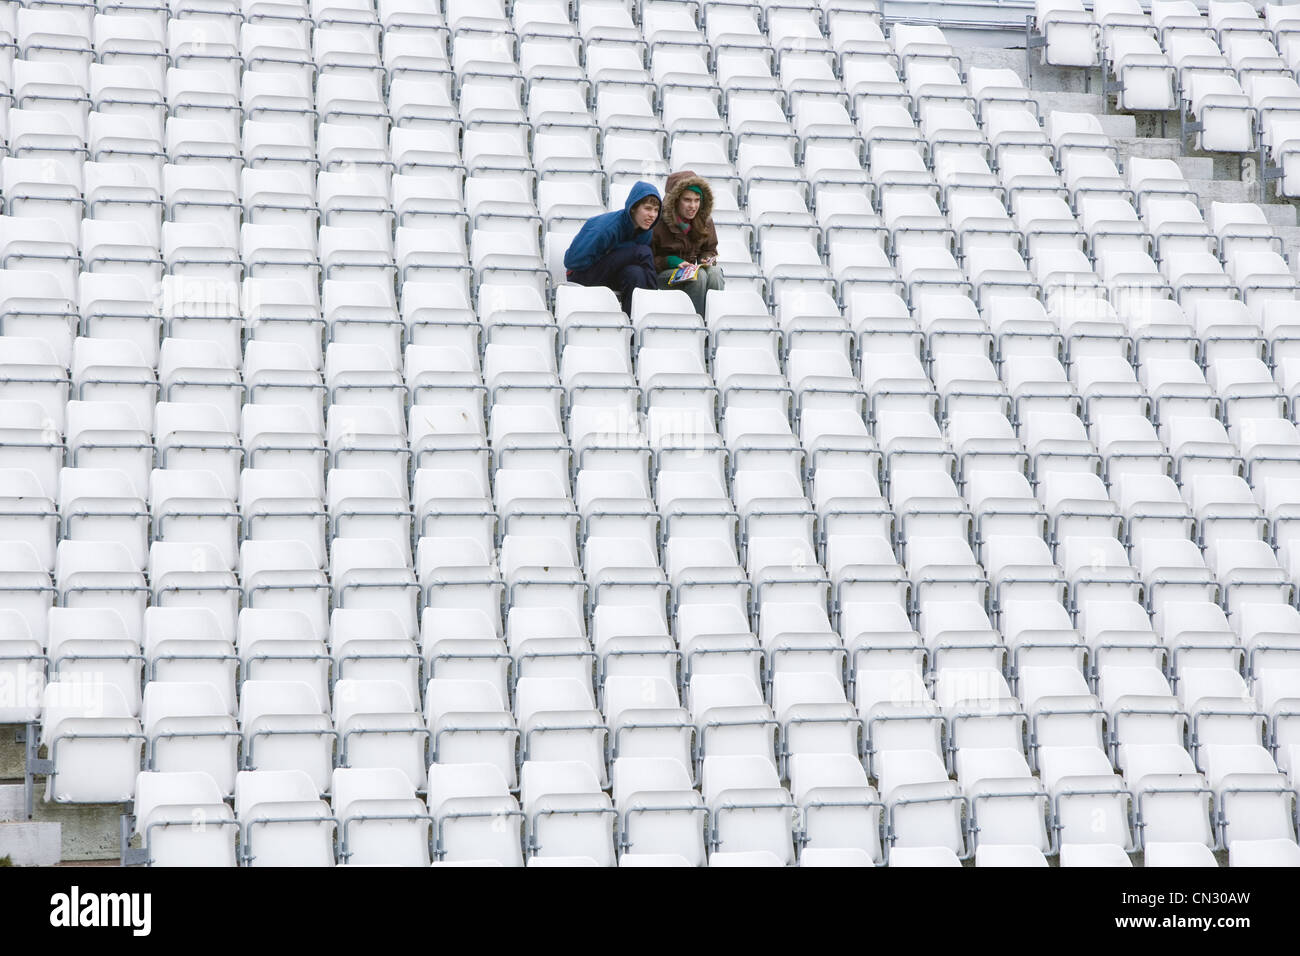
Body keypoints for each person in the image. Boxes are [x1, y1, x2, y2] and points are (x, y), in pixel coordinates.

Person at [563, 181, 662, 314]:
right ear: (633, 208)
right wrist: (620, 254)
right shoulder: (606, 228)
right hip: (582, 274)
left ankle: (633, 326)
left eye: (656, 210)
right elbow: (572, 261)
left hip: (610, 275)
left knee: (635, 274)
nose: (652, 215)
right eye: (648, 208)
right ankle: (653, 301)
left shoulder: (645, 231)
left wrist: (622, 255)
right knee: (642, 252)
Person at [652, 170, 724, 315]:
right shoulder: (658, 222)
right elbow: (646, 259)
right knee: (698, 277)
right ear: (675, 200)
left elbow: (710, 249)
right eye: (687, 200)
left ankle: (713, 322)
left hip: (690, 271)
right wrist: (670, 261)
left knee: (715, 273)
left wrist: (706, 258)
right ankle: (695, 325)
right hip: (663, 274)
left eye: (697, 200)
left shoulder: (705, 221)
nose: (693, 206)